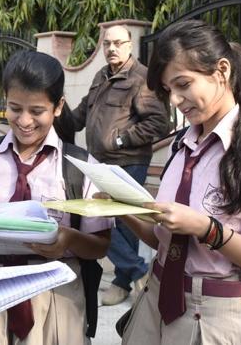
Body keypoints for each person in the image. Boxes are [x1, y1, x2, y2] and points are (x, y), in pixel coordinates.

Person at [117, 19, 241, 344]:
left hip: (213, 315)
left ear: (221, 71)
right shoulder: (182, 144)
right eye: (169, 90)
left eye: (183, 84)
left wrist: (205, 227)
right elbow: (164, 242)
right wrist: (118, 208)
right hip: (153, 302)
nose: (175, 100)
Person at [0, 50, 113, 345]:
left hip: (55, 294)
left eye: (36, 111)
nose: (24, 121)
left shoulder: (81, 167)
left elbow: (100, 246)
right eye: (15, 108)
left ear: (58, 107)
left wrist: (67, 239)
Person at [67, 24, 170, 305]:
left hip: (129, 162)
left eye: (118, 43)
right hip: (100, 162)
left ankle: (134, 274)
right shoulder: (102, 76)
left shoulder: (141, 78)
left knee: (115, 223)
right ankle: (130, 279)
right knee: (112, 224)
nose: (112, 48)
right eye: (107, 44)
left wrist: (121, 140)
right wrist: (57, 114)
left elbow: (159, 123)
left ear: (129, 45)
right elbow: (83, 112)